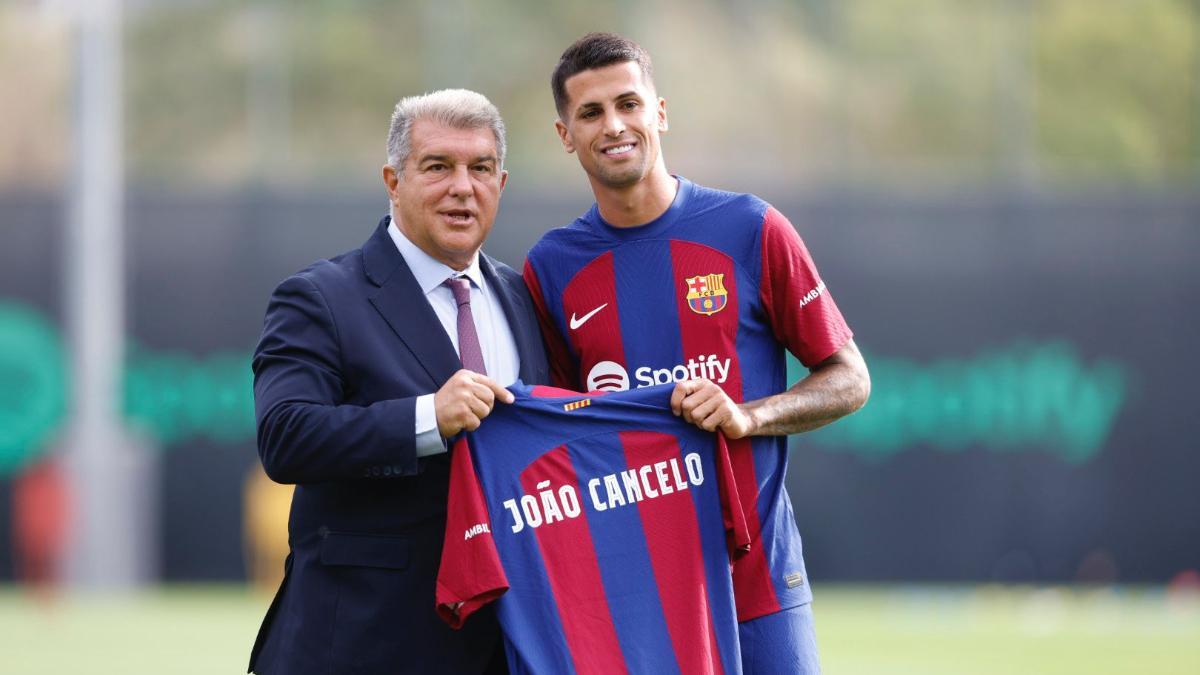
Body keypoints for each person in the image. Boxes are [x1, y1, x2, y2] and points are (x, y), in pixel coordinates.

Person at [523, 33, 870, 674]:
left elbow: (850, 378)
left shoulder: (750, 228)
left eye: (628, 103)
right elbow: (557, 432)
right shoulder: (551, 267)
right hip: (634, 596)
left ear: (659, 112)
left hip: (759, 583)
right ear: (565, 135)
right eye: (591, 112)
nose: (614, 125)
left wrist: (749, 416)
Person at [248, 89, 549, 675]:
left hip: (501, 647)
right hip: (359, 647)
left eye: (480, 168)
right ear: (393, 180)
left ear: (502, 183)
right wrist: (427, 419)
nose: (462, 187)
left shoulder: (523, 298)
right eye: (438, 166)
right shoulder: (319, 297)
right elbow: (285, 436)